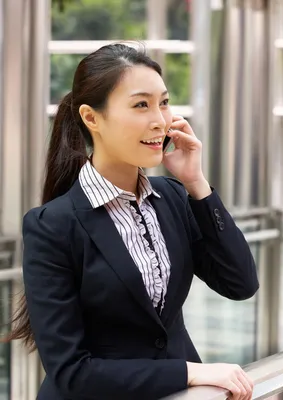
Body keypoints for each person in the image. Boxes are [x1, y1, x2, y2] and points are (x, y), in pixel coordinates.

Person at [6, 43, 259, 400]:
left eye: (164, 102)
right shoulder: (52, 225)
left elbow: (241, 283)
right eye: (141, 105)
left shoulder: (171, 198)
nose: (160, 119)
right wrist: (188, 372)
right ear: (92, 118)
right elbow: (71, 370)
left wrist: (196, 184)